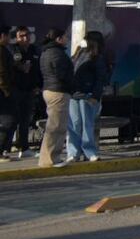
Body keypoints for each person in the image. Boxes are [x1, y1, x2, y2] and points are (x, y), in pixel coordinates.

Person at [66, 33, 110, 162]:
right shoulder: (79, 54)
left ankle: (89, 151)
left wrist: (95, 96)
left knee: (86, 124)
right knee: (74, 124)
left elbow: (100, 78)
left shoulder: (97, 57)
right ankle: (73, 152)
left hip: (88, 94)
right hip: (75, 94)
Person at [37, 28, 73, 168]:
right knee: (56, 126)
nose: (67, 39)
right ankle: (50, 159)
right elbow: (62, 74)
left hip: (50, 89)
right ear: (58, 39)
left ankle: (51, 157)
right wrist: (72, 84)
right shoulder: (57, 54)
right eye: (65, 36)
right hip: (58, 91)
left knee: (56, 125)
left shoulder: (47, 52)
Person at [7, 26, 40, 159]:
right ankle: (5, 148)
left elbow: (37, 70)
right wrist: (20, 67)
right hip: (16, 89)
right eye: (21, 36)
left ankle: (24, 147)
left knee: (25, 121)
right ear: (16, 37)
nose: (25, 38)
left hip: (29, 90)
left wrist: (37, 85)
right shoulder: (12, 50)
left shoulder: (33, 50)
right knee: (12, 121)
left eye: (26, 35)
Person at [0, 26, 14, 162]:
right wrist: (6, 91)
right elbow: (2, 73)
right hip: (3, 92)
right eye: (8, 35)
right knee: (7, 122)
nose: (10, 38)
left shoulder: (5, 50)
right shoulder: (1, 51)